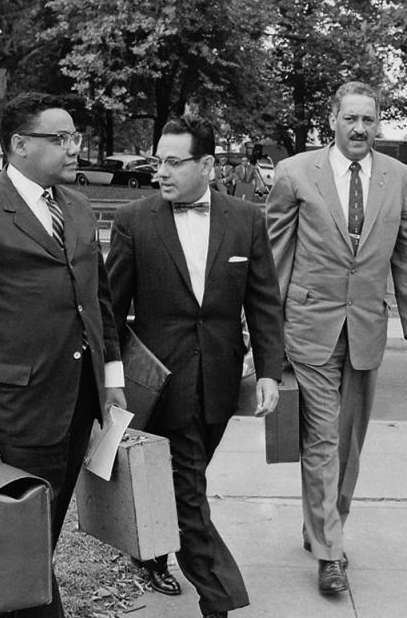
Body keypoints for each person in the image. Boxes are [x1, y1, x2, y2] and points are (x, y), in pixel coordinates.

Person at [0, 92, 126, 618]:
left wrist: (112, 377)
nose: (73, 148)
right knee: (17, 540)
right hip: (16, 407)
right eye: (58, 138)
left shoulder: (78, 209)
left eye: (75, 137)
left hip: (79, 403)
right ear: (19, 144)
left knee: (41, 535)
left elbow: (98, 300)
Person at [106, 115, 284, 618]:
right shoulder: (134, 221)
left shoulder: (246, 219)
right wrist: (110, 380)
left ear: (207, 164)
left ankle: (156, 548)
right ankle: (219, 597)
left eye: (173, 161)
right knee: (189, 490)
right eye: (157, 160)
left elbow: (264, 301)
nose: (160, 171)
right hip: (162, 383)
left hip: (220, 382)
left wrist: (269, 370)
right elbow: (110, 311)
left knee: (186, 479)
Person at [265, 81, 407, 595]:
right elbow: (275, 258)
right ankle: (331, 553)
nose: (360, 128)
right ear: (332, 119)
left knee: (349, 444)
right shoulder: (295, 172)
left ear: (378, 123)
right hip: (309, 327)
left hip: (365, 330)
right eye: (350, 118)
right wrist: (265, 336)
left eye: (369, 119)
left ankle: (322, 525)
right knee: (320, 439)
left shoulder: (400, 178)